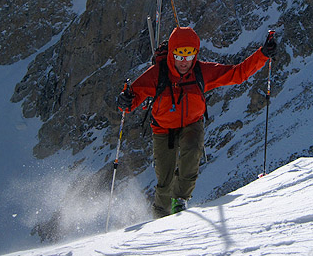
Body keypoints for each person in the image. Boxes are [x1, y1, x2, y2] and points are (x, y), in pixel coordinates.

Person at [117, 26, 277, 218]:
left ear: (195, 54)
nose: (184, 61)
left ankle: (180, 201)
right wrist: (125, 100)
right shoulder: (157, 75)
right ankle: (160, 217)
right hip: (163, 129)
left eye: (189, 55)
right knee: (165, 178)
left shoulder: (202, 72)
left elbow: (237, 74)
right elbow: (132, 100)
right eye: (179, 55)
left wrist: (263, 55)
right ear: (172, 53)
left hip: (192, 123)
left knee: (192, 152)